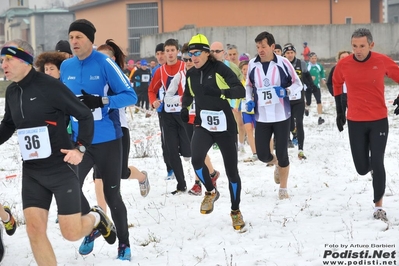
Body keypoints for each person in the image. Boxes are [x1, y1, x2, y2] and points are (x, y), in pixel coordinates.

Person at [0, 38, 116, 266]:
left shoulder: (50, 86)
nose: (3, 64)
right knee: (34, 230)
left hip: (60, 168)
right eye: (2, 60)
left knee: (71, 233)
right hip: (32, 171)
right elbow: (8, 124)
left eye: (8, 59)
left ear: (24, 60)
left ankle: (96, 217)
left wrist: (80, 148)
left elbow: (84, 114)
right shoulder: (13, 92)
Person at [60, 19, 137, 261]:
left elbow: (130, 96)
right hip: (79, 141)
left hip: (107, 140)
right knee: (68, 187)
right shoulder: (66, 67)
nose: (74, 41)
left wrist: (102, 101)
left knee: (113, 195)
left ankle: (123, 243)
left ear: (90, 40)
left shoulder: (105, 63)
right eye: (71, 37)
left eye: (79, 37)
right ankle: (97, 222)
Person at [333, 28, 399, 222]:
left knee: (377, 161)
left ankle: (379, 206)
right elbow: (337, 84)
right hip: (355, 122)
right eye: (354, 46)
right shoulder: (344, 64)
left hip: (378, 120)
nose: (358, 50)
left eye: (362, 46)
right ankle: (371, 170)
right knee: (362, 168)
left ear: (371, 45)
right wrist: (339, 111)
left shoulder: (381, 61)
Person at [182, 34, 246, 230]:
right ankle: (210, 191)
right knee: (196, 160)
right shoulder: (191, 74)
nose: (193, 57)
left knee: (232, 172)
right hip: (204, 125)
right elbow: (187, 94)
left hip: (225, 127)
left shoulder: (220, 69)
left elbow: (240, 91)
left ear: (207, 53)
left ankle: (235, 211)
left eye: (197, 53)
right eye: (190, 53)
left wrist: (221, 92)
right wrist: (184, 109)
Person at [89, 40, 150, 216]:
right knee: (98, 176)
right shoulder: (93, 77)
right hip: (97, 131)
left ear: (113, 59)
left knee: (122, 173)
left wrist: (104, 100)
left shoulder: (119, 77)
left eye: (104, 58)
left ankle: (142, 177)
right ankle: (103, 216)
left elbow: (130, 98)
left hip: (118, 130)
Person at [245, 31, 302, 200]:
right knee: (263, 155)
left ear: (272, 46)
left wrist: (286, 91)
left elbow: (297, 84)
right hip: (262, 116)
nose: (260, 50)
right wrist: (249, 100)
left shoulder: (283, 63)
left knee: (283, 152)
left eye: (263, 46)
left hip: (281, 115)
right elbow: (248, 86)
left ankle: (283, 189)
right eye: (257, 47)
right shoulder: (252, 64)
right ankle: (276, 163)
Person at [163, 42, 220, 196]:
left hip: (203, 118)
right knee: (197, 152)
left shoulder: (205, 74)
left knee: (197, 153)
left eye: (191, 58)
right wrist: (181, 99)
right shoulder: (179, 76)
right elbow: (167, 98)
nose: (189, 62)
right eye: (186, 59)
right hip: (187, 118)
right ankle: (212, 173)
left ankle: (198, 183)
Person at [148, 38, 191, 194]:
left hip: (184, 113)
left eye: (173, 50)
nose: (170, 53)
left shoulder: (185, 66)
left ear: (177, 52)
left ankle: (188, 154)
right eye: (167, 51)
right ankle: (181, 184)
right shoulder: (160, 71)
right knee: (171, 150)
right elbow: (152, 90)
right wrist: (153, 102)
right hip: (168, 115)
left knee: (188, 150)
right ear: (164, 53)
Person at [282, 43, 316, 160]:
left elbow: (306, 77)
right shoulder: (281, 64)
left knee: (300, 123)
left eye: (292, 53)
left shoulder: (301, 63)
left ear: (295, 53)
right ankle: (293, 132)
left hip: (298, 100)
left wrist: (312, 88)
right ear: (284, 54)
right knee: (289, 124)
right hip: (286, 100)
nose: (290, 55)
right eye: (287, 53)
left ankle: (300, 150)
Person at [210, 41, 245, 152]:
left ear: (223, 53)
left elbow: (239, 84)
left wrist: (235, 102)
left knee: (235, 123)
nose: (214, 53)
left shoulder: (231, 66)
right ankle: (216, 142)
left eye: (217, 51)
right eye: (212, 51)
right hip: (214, 101)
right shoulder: (206, 66)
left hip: (230, 101)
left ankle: (238, 144)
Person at [239, 60, 257, 162]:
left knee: (259, 132)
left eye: (247, 69)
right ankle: (254, 153)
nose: (245, 71)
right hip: (245, 110)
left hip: (256, 110)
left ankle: (267, 152)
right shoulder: (240, 83)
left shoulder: (255, 81)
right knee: (249, 131)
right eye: (244, 69)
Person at [326, 50, 351, 115]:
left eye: (347, 57)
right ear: (339, 59)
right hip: (340, 95)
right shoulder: (335, 69)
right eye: (343, 57)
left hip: (351, 96)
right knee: (341, 115)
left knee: (353, 115)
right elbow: (329, 83)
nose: (345, 59)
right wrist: (334, 93)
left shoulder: (354, 68)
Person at [306, 52, 326, 125]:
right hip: (308, 87)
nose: (314, 60)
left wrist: (323, 79)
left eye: (315, 58)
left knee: (319, 101)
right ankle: (306, 108)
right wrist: (309, 78)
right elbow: (303, 75)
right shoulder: (306, 66)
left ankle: (320, 118)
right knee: (308, 102)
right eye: (312, 58)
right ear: (309, 59)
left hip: (316, 86)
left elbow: (322, 73)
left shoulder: (319, 66)